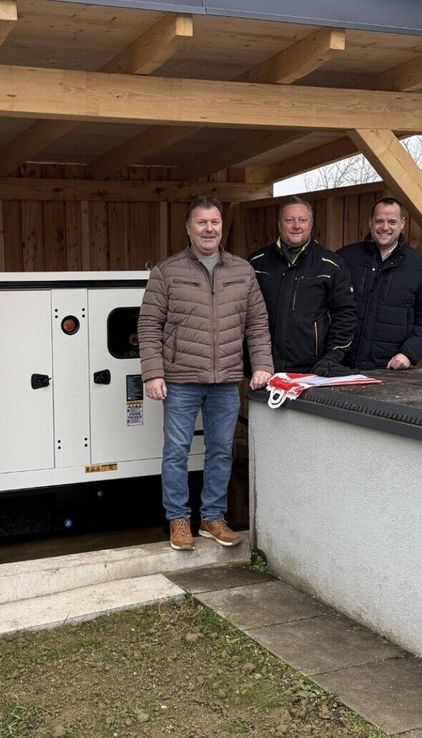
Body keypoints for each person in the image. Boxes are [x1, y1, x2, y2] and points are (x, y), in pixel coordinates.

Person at [138, 195, 273, 552]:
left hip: (226, 380)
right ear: (189, 228)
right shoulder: (166, 272)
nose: (209, 228)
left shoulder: (242, 272)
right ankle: (178, 520)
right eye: (202, 222)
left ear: (221, 227)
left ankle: (212, 518)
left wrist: (262, 366)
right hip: (180, 379)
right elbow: (149, 326)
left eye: (214, 222)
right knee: (177, 451)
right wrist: (153, 374)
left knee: (220, 451)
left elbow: (257, 325)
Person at [248, 196, 356, 375]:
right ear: (279, 224)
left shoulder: (331, 265)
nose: (296, 225)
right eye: (289, 220)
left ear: (311, 224)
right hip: (264, 369)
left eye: (302, 220)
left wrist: (331, 358)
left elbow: (345, 316)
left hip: (311, 370)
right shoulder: (257, 263)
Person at [338, 198, 422, 371]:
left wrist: (409, 353)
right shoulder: (346, 258)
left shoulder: (420, 265)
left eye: (392, 222)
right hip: (343, 367)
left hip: (391, 370)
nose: (385, 227)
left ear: (402, 223)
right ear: (370, 223)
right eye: (379, 221)